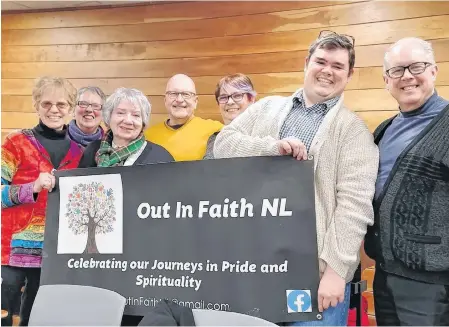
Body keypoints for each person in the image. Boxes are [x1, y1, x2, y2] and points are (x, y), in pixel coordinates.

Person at [214, 31, 379, 326]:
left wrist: (336, 272)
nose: (327, 71)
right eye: (321, 61)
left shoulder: (354, 132)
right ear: (306, 63)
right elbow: (223, 144)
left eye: (338, 66)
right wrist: (269, 148)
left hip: (313, 278)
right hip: (253, 267)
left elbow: (354, 208)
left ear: (349, 74)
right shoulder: (266, 108)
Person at [364, 37, 449, 326]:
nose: (408, 76)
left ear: (434, 71)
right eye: (398, 70)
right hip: (385, 273)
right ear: (387, 80)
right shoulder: (383, 130)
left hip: (431, 285)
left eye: (417, 66)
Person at [1, 76, 84, 326]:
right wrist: (32, 188)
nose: (54, 110)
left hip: (54, 256)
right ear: (36, 105)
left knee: (37, 319)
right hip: (12, 253)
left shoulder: (79, 153)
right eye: (46, 103)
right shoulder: (14, 143)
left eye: (61, 104)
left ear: (70, 108)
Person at [78, 87, 173, 168]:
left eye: (136, 115)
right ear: (109, 117)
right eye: (120, 113)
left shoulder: (161, 157)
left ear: (143, 122)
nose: (128, 120)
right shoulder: (92, 150)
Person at [144, 74, 223, 161]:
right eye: (173, 94)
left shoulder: (215, 130)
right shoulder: (148, 136)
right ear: (165, 100)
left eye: (186, 94)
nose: (179, 100)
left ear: (195, 101)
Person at [203, 73, 257, 159]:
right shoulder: (215, 139)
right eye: (223, 97)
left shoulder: (263, 133)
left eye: (237, 95)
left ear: (251, 99)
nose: (230, 102)